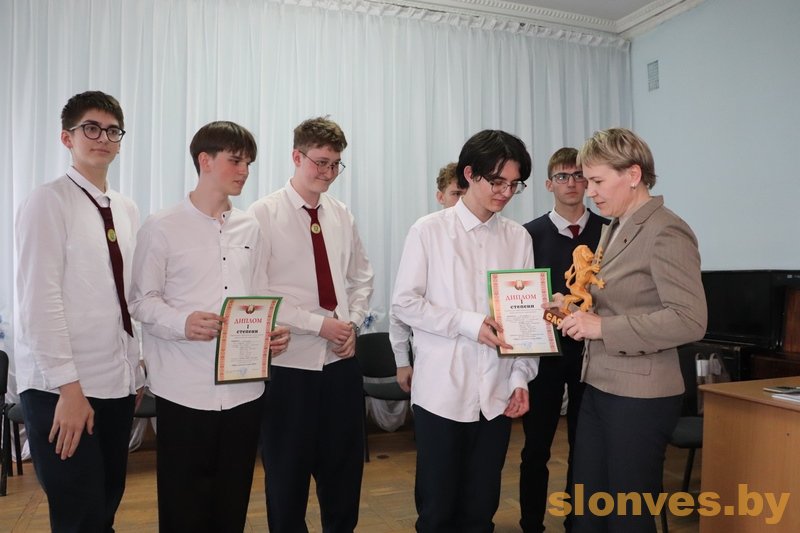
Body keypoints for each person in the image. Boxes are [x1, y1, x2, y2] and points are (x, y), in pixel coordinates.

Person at [129, 121, 290, 532]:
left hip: (244, 389)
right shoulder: (161, 226)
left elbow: (259, 293)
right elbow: (141, 301)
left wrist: (272, 332)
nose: (244, 171)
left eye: (249, 163)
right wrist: (182, 322)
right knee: (183, 507)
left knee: (232, 503)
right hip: (184, 388)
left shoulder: (250, 227)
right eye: (235, 160)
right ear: (205, 160)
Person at [556, 128, 707, 532]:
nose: (589, 192)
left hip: (641, 395)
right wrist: (568, 305)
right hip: (600, 384)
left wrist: (602, 327)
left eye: (597, 181)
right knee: (588, 510)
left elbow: (690, 318)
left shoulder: (666, 230)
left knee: (627, 516)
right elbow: (616, 299)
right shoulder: (615, 226)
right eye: (587, 181)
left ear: (634, 175)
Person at [392, 129, 540, 532]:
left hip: (496, 393)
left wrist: (521, 377)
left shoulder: (518, 238)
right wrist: (468, 323)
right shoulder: (428, 231)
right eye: (497, 182)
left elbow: (525, 319)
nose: (506, 193)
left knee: (480, 510)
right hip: (442, 393)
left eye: (514, 185)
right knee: (437, 511)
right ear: (470, 174)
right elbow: (405, 304)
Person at [14, 90, 142, 532]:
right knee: (79, 514)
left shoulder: (125, 208)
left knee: (105, 506)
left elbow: (125, 295)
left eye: (112, 131)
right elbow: (38, 302)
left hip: (115, 382)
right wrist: (69, 390)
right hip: (62, 389)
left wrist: (133, 368)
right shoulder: (47, 202)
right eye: (91, 128)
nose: (102, 138)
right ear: (67, 137)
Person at [248, 116, 374, 533]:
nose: (328, 172)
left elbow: (362, 277)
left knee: (344, 474)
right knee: (287, 477)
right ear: (296, 156)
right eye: (320, 162)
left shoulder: (341, 214)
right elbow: (256, 292)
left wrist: (350, 323)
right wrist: (318, 325)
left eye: (336, 164)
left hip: (340, 364)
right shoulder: (262, 214)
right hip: (289, 367)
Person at [519, 148, 607, 532]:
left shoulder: (609, 231)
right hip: (545, 354)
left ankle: (578, 522)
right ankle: (531, 523)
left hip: (595, 354)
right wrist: (562, 318)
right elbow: (522, 300)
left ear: (588, 181)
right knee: (536, 448)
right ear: (548, 184)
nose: (571, 183)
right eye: (562, 176)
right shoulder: (527, 234)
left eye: (578, 175)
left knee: (585, 449)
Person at [392, 161, 466, 393]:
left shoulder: (491, 238)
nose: (462, 201)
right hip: (436, 361)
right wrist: (402, 361)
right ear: (440, 197)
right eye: (456, 194)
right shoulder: (424, 232)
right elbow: (402, 304)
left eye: (466, 194)